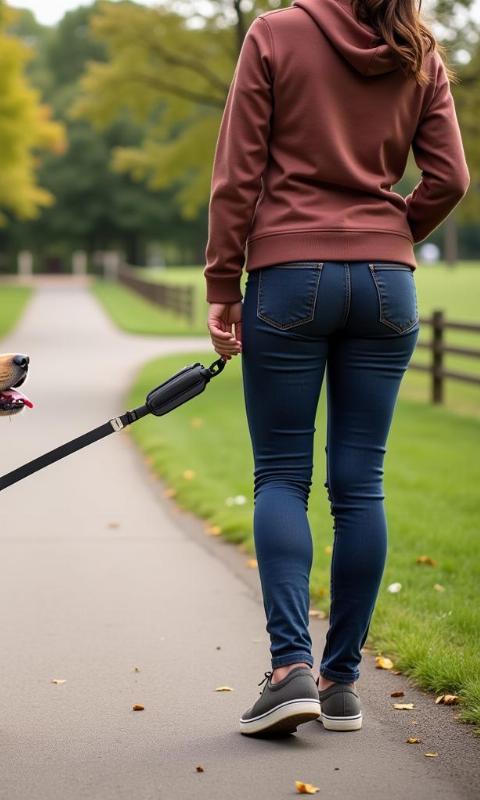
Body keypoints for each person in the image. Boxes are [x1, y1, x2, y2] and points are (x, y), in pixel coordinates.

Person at [203, 0, 470, 737]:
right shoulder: (419, 46)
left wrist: (224, 284)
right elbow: (450, 178)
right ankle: (342, 681)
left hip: (289, 277)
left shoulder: (275, 33)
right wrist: (387, 231)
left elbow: (237, 175)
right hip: (389, 283)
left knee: (282, 475)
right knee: (361, 485)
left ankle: (290, 669)